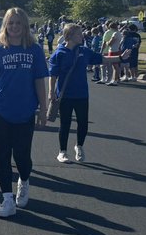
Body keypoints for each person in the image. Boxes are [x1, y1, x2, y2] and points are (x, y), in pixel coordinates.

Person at [0, 7, 48, 217]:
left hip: (25, 110)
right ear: (5, 26)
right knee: (1, 155)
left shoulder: (34, 49)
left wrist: (43, 109)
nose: (14, 27)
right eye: (11, 23)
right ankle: (7, 199)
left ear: (25, 26)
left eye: (18, 23)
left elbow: (39, 81)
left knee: (22, 156)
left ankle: (24, 180)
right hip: (0, 109)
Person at [48, 22, 125, 163]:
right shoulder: (58, 54)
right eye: (78, 34)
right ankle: (62, 152)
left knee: (83, 123)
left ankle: (79, 146)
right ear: (69, 36)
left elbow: (102, 59)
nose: (82, 36)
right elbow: (53, 75)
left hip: (82, 94)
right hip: (65, 95)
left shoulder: (84, 51)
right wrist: (51, 92)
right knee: (65, 124)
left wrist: (120, 58)